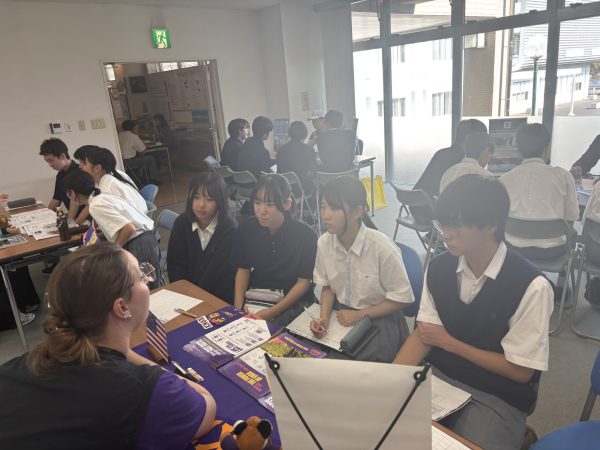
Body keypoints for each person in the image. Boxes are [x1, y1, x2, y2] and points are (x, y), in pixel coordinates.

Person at [0, 243, 216, 449]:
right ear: (122, 307)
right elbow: (206, 405)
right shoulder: (146, 391)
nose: (148, 280)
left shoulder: (18, 366)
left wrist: (125, 352)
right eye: (141, 276)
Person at [393, 175, 553, 450]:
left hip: (496, 393)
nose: (446, 234)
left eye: (456, 226)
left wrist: (449, 343)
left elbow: (520, 371)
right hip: (439, 376)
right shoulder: (440, 267)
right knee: (390, 431)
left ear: (490, 225)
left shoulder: (531, 285)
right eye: (443, 224)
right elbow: (423, 336)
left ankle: (518, 435)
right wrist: (389, 383)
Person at [310, 176, 414, 363]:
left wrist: (359, 315)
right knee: (316, 356)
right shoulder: (324, 242)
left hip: (379, 317)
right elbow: (327, 287)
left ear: (357, 212)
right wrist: (324, 318)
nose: (325, 215)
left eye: (334, 208)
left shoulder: (382, 247)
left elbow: (402, 299)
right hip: (341, 313)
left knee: (356, 366)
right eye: (323, 207)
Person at [232, 174, 317, 326]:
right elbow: (243, 269)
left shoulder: (306, 236)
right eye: (257, 203)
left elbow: (303, 283)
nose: (261, 211)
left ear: (287, 204)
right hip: (258, 296)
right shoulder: (246, 228)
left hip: (292, 301)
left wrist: (272, 312)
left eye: (270, 204)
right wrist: (237, 308)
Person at [62, 170, 160, 288]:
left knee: (144, 290)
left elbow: (129, 228)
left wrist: (114, 251)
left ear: (73, 193)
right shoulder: (101, 197)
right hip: (147, 240)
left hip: (139, 244)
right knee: (148, 289)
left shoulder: (96, 205)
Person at [500, 123, 578, 258]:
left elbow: (499, 218)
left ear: (519, 149)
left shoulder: (504, 179)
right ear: (546, 148)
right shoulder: (564, 176)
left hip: (512, 249)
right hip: (553, 251)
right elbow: (571, 216)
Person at [168, 172, 237, 303]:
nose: (201, 204)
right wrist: (185, 295)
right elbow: (175, 266)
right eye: (196, 197)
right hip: (185, 298)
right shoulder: (182, 223)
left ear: (220, 201)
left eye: (209, 199)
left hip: (218, 300)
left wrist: (200, 300)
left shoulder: (230, 230)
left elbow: (223, 276)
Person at [411, 119, 487, 222]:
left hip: (415, 206)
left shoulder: (441, 152)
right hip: (432, 212)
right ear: (469, 137)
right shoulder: (461, 160)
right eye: (482, 137)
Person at [78, 146, 148, 213]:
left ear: (97, 168)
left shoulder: (107, 189)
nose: (80, 166)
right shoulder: (114, 175)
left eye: (83, 163)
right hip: (142, 213)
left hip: (138, 217)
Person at [39, 138, 89, 225]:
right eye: (47, 161)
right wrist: (44, 217)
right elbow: (56, 199)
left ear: (62, 156)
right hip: (73, 219)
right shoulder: (60, 175)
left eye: (51, 160)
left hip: (86, 220)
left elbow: (80, 203)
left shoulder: (80, 172)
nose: (50, 165)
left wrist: (72, 224)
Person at [276, 121, 318, 194]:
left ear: (290, 133)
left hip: (285, 188)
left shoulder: (281, 150)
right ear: (304, 133)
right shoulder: (309, 150)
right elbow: (312, 172)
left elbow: (279, 171)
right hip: (303, 189)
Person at [118, 119, 160, 185]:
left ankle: (141, 176)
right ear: (133, 127)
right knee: (150, 158)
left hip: (121, 161)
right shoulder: (133, 136)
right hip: (130, 162)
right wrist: (144, 145)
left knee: (141, 158)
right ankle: (153, 180)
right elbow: (143, 150)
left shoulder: (119, 135)